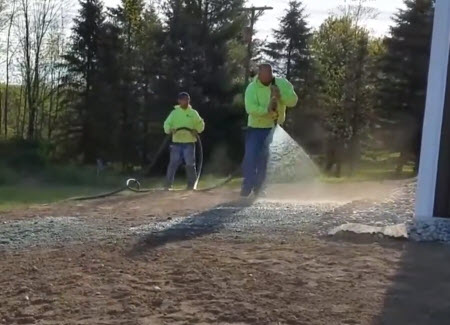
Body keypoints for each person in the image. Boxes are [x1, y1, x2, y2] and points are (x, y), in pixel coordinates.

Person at [241, 63, 298, 197]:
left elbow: (293, 101)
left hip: (273, 128)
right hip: (255, 128)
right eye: (264, 75)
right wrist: (266, 111)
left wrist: (280, 97)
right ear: (259, 74)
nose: (267, 77)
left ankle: (259, 189)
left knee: (264, 159)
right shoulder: (252, 87)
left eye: (270, 74)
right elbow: (250, 108)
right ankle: (247, 187)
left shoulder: (282, 84)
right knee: (250, 157)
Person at [164, 92, 205, 190]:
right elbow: (166, 124)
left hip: (189, 142)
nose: (185, 101)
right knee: (173, 163)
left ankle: (192, 185)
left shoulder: (193, 113)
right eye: (183, 99)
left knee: (190, 164)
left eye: (187, 99)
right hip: (176, 143)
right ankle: (168, 185)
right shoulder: (174, 113)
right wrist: (170, 129)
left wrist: (197, 130)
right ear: (179, 101)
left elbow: (200, 124)